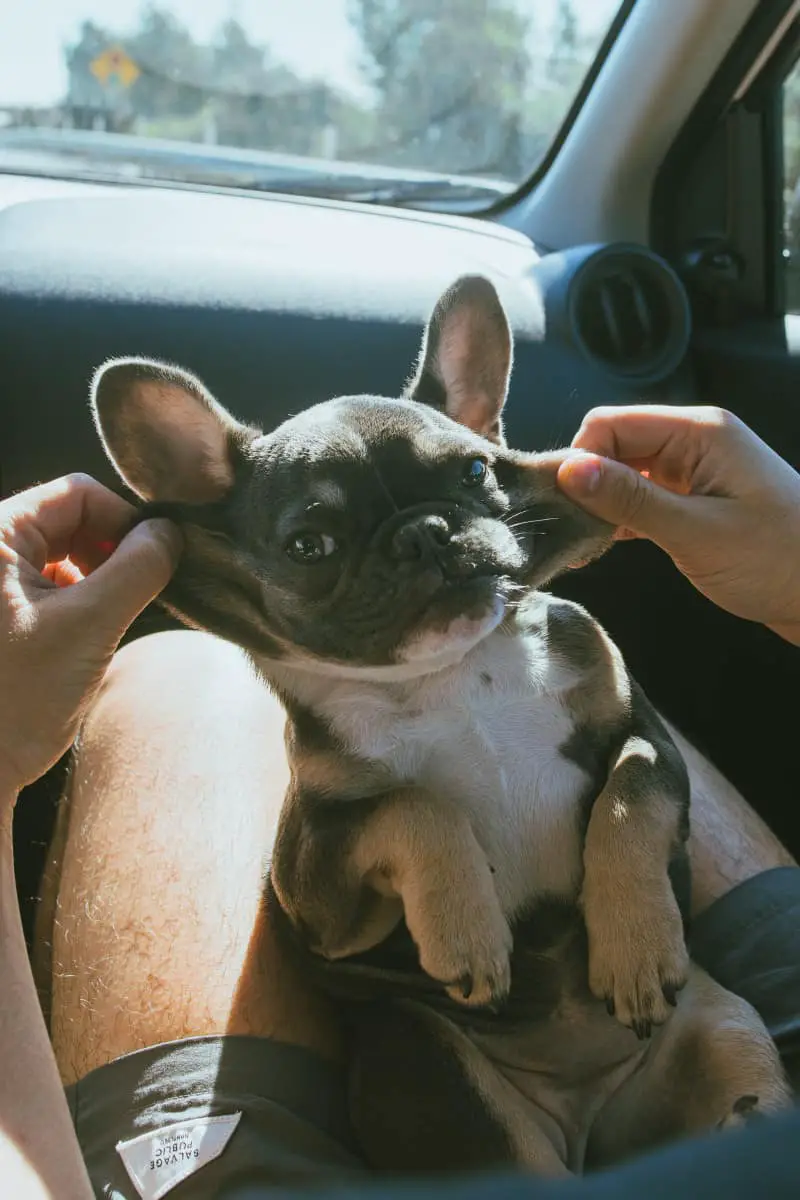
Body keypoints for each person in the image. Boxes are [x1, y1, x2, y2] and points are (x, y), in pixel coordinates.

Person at [0, 403, 799, 1200]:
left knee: (177, 670)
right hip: (474, 1055)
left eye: (469, 476)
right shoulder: (359, 727)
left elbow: (319, 915)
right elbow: (324, 909)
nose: (425, 544)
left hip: (659, 1031)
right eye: (315, 543)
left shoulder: (570, 642)